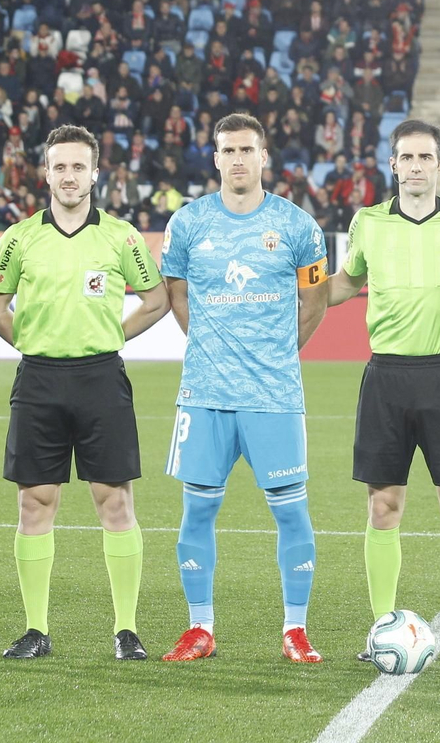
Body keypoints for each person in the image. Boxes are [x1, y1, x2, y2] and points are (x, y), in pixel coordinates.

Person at [0, 125, 170, 661]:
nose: (69, 176)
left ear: (94, 173)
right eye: (59, 167)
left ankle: (126, 629)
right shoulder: (19, 238)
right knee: (34, 502)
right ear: (46, 173)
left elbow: (155, 299)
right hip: (38, 380)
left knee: (114, 500)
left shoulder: (122, 237)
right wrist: (33, 342)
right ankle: (35, 629)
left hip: (101, 379)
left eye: (78, 167)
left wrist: (114, 336)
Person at [159, 113, 330, 663]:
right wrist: (210, 345)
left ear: (263, 157)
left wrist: (277, 352)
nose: (237, 159)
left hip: (274, 396)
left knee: (291, 513)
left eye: (247, 150)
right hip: (204, 394)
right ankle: (199, 628)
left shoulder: (299, 226)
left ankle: (296, 630)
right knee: (197, 513)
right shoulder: (187, 224)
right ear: (215, 158)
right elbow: (177, 297)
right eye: (227, 150)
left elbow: (316, 301)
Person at [325, 120, 440, 665]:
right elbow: (346, 283)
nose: (417, 166)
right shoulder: (368, 224)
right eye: (407, 157)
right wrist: (293, 292)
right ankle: (382, 624)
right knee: (383, 505)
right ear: (393, 164)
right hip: (386, 378)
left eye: (426, 157)